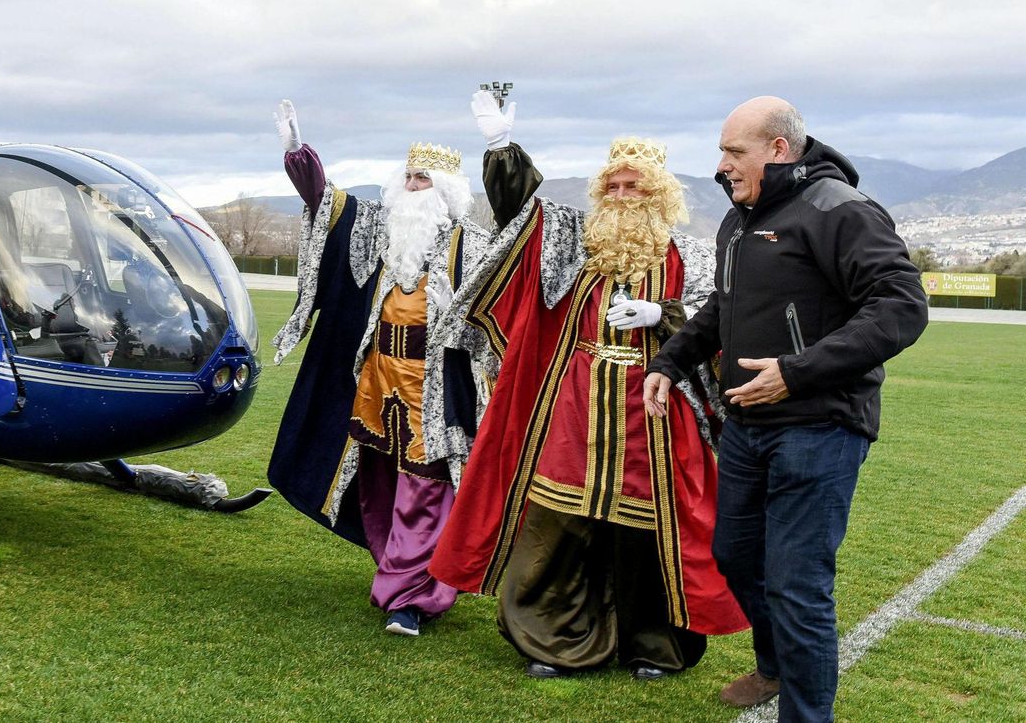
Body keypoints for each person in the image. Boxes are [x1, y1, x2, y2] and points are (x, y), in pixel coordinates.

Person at [428, 92, 747, 680]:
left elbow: (721, 319)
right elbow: (521, 212)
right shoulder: (575, 244)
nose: (623, 197)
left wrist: (664, 315)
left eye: (637, 188)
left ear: (661, 196)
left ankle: (654, 646)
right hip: (574, 407)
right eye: (615, 187)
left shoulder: (692, 257)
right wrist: (502, 149)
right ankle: (554, 643)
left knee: (648, 533)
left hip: (655, 412)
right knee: (557, 527)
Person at [644, 96, 927, 720]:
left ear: (778, 149)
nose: (721, 165)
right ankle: (773, 665)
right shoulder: (740, 217)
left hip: (821, 426)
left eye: (734, 151)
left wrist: (796, 373)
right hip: (747, 424)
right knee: (735, 556)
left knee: (798, 583)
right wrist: (671, 360)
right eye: (721, 150)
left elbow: (902, 305)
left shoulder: (840, 211)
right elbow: (725, 306)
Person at [266, 99, 495, 637]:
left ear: (447, 193)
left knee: (424, 487)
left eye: (425, 180)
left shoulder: (475, 246)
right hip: (376, 380)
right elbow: (325, 205)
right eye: (410, 177)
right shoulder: (379, 230)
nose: (414, 187)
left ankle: (411, 599)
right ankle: (398, 568)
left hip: (436, 389)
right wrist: (299, 154)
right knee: (380, 483)